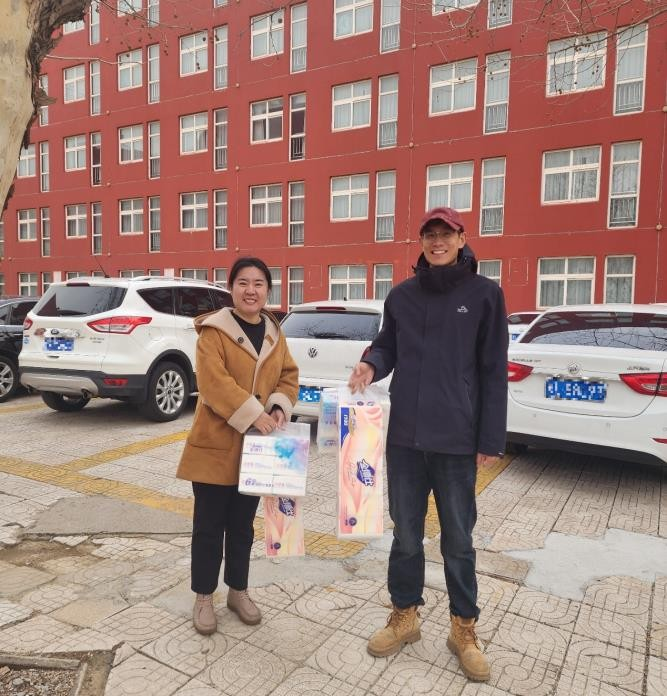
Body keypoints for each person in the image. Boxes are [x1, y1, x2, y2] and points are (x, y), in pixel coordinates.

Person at [348, 206, 508, 682]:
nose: (437, 241)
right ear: (421, 242)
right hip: (405, 440)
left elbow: (493, 370)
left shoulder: (485, 295)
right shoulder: (402, 296)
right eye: (429, 234)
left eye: (445, 234)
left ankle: (464, 629)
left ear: (461, 238)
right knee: (405, 534)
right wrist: (371, 364)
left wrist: (490, 438)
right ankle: (405, 616)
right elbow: (387, 345)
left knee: (458, 539)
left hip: (457, 440)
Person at [177, 257, 298, 635]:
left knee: (243, 526)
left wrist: (277, 406)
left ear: (268, 290)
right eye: (243, 283)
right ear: (231, 288)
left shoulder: (275, 332)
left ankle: (238, 591)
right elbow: (213, 384)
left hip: (257, 451)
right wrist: (253, 414)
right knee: (209, 526)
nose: (251, 290)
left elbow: (289, 375)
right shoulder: (214, 332)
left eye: (259, 284)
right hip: (216, 446)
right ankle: (203, 596)